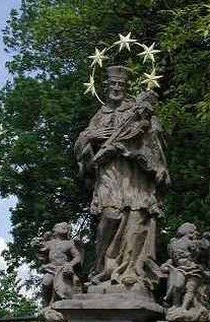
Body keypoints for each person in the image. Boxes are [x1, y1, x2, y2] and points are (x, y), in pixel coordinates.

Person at [75, 65, 170, 292]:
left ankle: (129, 271)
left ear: (127, 88)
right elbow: (81, 146)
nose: (116, 88)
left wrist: (133, 149)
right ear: (106, 87)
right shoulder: (100, 116)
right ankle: (103, 268)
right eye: (113, 84)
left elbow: (154, 144)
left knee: (135, 220)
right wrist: (90, 137)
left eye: (121, 84)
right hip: (109, 172)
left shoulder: (138, 112)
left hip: (133, 176)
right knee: (110, 214)